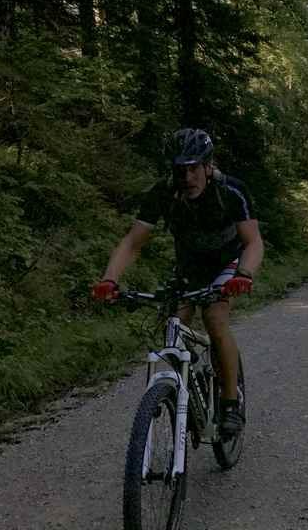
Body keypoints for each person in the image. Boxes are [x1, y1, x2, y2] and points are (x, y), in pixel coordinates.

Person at [91, 127, 263, 436]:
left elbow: (253, 242)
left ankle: (230, 402)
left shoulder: (231, 191)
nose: (187, 178)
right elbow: (132, 242)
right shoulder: (164, 193)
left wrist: (243, 276)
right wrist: (109, 280)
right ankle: (186, 387)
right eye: (179, 170)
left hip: (229, 264)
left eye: (194, 168)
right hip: (189, 268)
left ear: (208, 167)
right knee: (174, 322)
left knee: (214, 317)